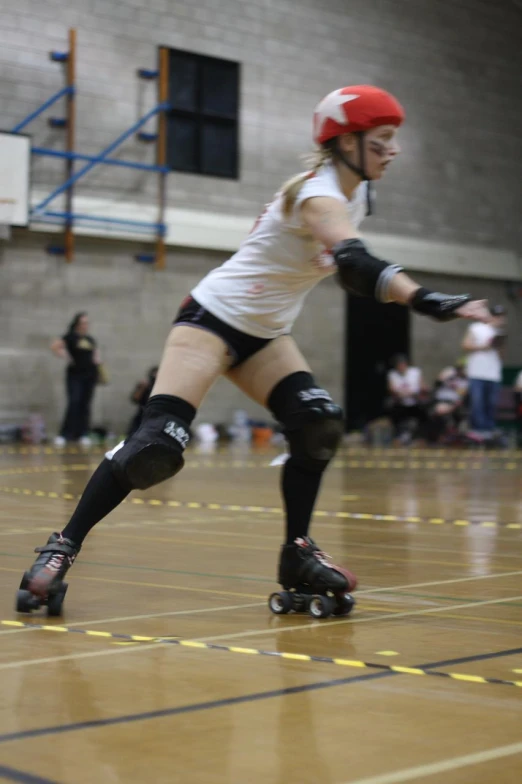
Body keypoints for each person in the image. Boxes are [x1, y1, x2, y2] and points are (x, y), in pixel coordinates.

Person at [18, 85, 492, 619]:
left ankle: (297, 554)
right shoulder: (318, 195)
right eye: (382, 140)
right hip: (210, 321)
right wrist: (426, 299)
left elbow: (350, 267)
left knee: (318, 424)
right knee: (154, 449)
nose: (394, 151)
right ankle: (63, 545)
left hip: (266, 335)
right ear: (346, 142)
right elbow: (356, 267)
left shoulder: (358, 192)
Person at [51, 312, 101, 447]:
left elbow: (96, 354)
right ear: (77, 324)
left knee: (85, 404)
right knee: (74, 402)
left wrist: (97, 362)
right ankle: (64, 434)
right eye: (83, 323)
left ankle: (83, 433)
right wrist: (66, 356)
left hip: (89, 375)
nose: (86, 325)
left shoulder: (90, 339)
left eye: (87, 323)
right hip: (75, 375)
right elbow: (55, 346)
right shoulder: (70, 337)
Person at [461, 304, 506, 442]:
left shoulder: (500, 333)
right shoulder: (476, 328)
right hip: (477, 373)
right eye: (497, 316)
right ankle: (478, 430)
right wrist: (484, 346)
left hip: (493, 374)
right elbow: (465, 345)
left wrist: (498, 347)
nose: (500, 319)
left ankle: (489, 430)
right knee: (477, 402)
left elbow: (502, 356)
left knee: (491, 403)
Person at [387, 354, 427, 443]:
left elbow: (422, 386)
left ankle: (420, 436)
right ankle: (398, 436)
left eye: (403, 364)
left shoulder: (415, 372)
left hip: (415, 400)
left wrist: (416, 393)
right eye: (399, 365)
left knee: (424, 411)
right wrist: (400, 393)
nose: (401, 367)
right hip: (400, 401)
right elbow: (391, 389)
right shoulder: (392, 374)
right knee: (392, 408)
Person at [127, 366, 158, 438]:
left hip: (156, 414)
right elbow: (134, 399)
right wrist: (142, 388)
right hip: (143, 413)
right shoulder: (145, 386)